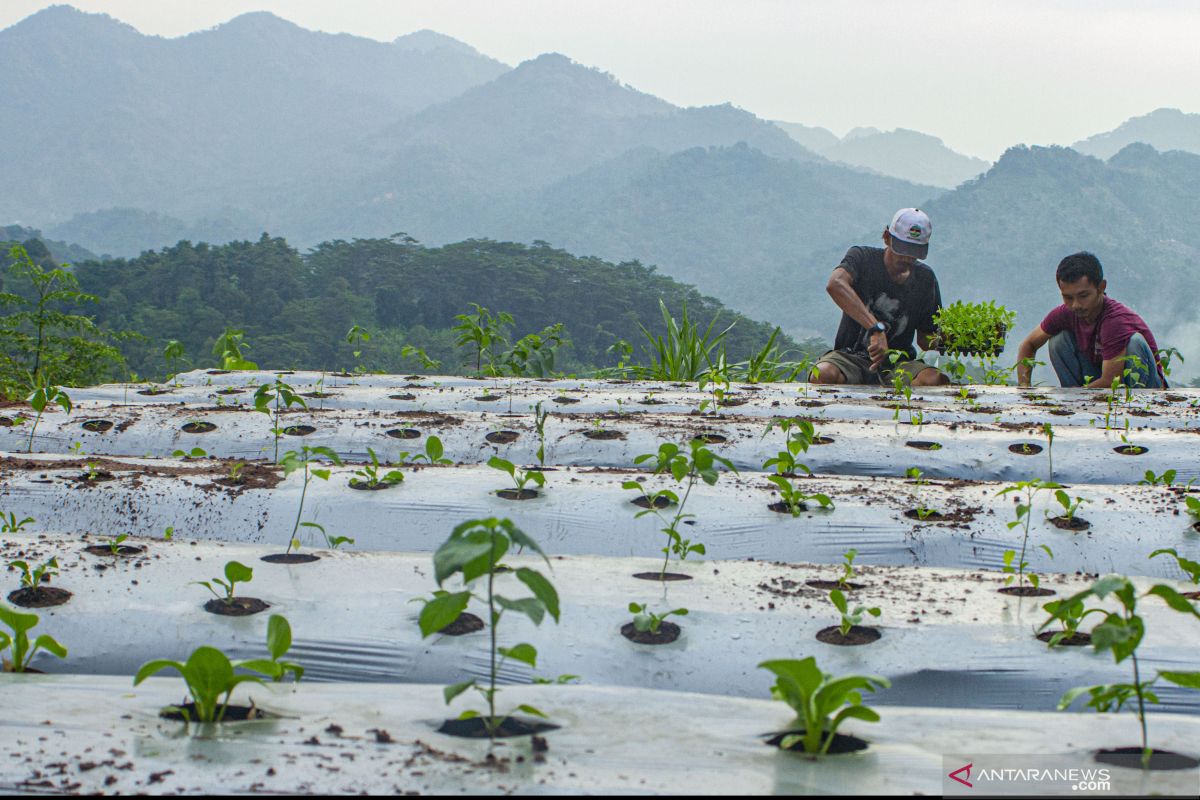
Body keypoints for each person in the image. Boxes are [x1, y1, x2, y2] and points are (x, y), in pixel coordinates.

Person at [813, 208, 949, 386]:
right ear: (887, 237)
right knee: (823, 374)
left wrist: (953, 340)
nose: (907, 258)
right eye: (902, 249)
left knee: (934, 380)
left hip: (898, 362)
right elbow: (835, 284)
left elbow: (925, 339)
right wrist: (875, 328)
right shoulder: (863, 258)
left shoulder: (925, 279)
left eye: (914, 252)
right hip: (851, 357)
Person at [1014, 252, 1165, 389]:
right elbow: (1029, 344)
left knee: (1135, 342)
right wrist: (1024, 386)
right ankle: (1074, 400)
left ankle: (1133, 405)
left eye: (1083, 296)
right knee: (1058, 340)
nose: (1076, 305)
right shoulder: (1066, 313)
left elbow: (1110, 381)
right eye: (1068, 297)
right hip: (1095, 387)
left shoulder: (1115, 320)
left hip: (1143, 388)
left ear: (1101, 287)